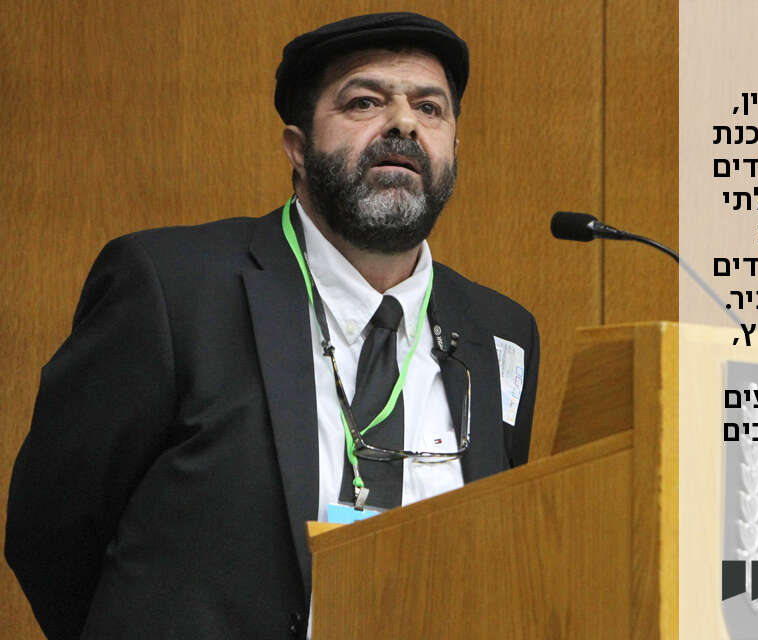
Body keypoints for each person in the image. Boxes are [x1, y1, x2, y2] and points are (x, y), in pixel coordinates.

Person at [5, 12, 539, 640]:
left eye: (430, 108)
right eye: (365, 102)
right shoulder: (172, 288)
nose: (404, 123)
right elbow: (53, 529)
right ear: (297, 148)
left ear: (453, 150)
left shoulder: (500, 332)